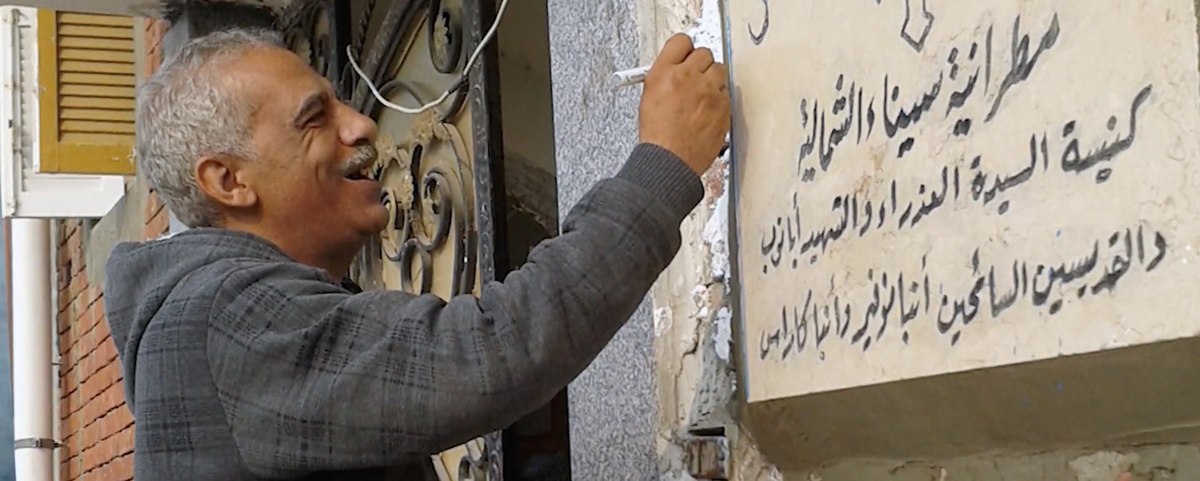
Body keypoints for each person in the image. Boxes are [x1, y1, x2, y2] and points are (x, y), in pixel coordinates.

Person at [104, 28, 731, 480]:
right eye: (314, 118)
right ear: (229, 182)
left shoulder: (215, 317)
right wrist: (664, 164)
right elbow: (488, 351)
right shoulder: (226, 316)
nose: (362, 126)